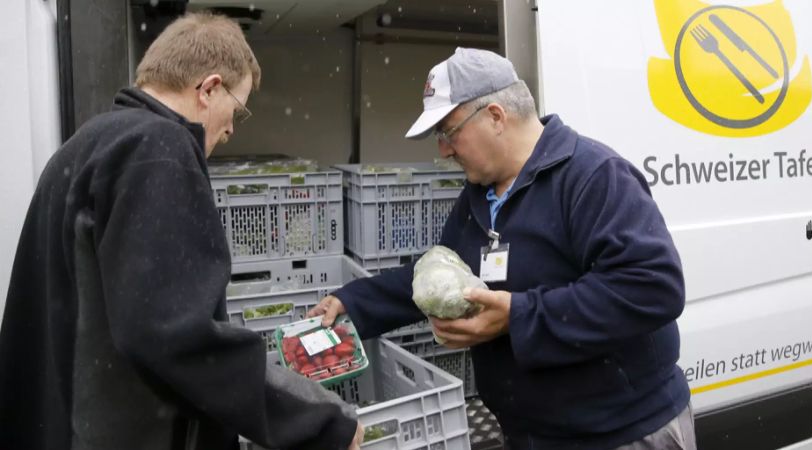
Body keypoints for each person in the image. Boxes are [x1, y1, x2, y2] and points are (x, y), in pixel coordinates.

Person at [0, 12, 362, 450]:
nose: (230, 128)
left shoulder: (85, 146)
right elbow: (174, 334)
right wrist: (320, 420)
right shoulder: (158, 149)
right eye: (237, 110)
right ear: (209, 89)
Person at [310, 47, 695, 449]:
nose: (443, 150)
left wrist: (518, 315)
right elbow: (443, 277)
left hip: (621, 434)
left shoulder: (594, 176)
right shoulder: (479, 195)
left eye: (448, 131)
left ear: (495, 116)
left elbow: (652, 288)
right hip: (529, 435)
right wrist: (352, 303)